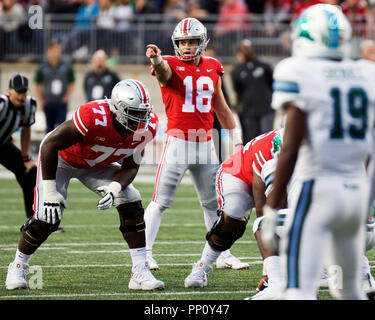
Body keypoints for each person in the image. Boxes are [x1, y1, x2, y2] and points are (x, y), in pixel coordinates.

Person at [5, 79, 165, 291]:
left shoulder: (148, 126)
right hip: (61, 159)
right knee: (47, 217)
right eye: (134, 112)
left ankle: (139, 272)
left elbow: (130, 166)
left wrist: (114, 188)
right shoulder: (93, 115)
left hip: (96, 164)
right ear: (118, 108)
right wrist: (51, 192)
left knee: (131, 199)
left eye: (143, 112)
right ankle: (18, 265)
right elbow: (50, 145)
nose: (141, 119)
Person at [261, 4, 374, 300]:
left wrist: (272, 206)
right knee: (351, 290)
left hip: (318, 191)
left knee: (299, 290)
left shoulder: (298, 71)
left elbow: (290, 146)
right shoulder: (366, 73)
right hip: (356, 194)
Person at [144, 17, 247, 271]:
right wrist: (157, 59)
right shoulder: (167, 63)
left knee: (213, 203)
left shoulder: (213, 66)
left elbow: (221, 108)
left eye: (192, 42)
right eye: (183, 42)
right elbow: (165, 76)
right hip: (178, 143)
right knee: (160, 201)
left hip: (205, 144)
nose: (187, 47)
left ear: (202, 43)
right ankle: (143, 254)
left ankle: (222, 253)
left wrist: (237, 141)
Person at [184, 129, 283, 288]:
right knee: (234, 216)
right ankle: (203, 267)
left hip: (268, 174)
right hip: (237, 174)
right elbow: (263, 213)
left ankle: (309, 267)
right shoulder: (267, 155)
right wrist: (269, 271)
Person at [0, 74, 37, 219]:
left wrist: (26, 157)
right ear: (9, 90)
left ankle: (35, 221)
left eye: (24, 92)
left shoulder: (29, 105)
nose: (21, 96)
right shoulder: (2, 104)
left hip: (3, 145)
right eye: (18, 91)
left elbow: (26, 130)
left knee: (30, 172)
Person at [231, 39, 274, 144]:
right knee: (251, 140)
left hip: (266, 108)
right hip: (248, 111)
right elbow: (237, 90)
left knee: (266, 138)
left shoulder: (264, 66)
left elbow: (271, 84)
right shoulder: (237, 70)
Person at [34, 40, 75, 134]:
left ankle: (61, 148)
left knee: (61, 128)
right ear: (48, 51)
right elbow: (37, 83)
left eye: (58, 50)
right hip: (48, 101)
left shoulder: (66, 65)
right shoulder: (43, 67)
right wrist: (41, 99)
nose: (56, 53)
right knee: (49, 128)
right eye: (54, 50)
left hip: (61, 102)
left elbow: (72, 82)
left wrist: (67, 96)